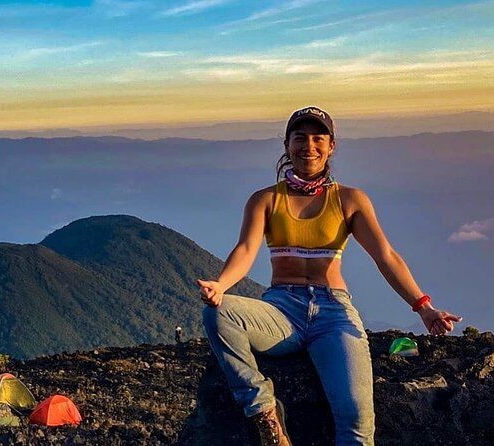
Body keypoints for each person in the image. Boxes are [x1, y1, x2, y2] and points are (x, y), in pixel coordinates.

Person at [196, 106, 463, 446]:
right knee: (218, 313)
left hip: (334, 314)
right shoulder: (264, 200)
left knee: (356, 419)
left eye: (318, 138)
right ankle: (265, 414)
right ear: (286, 144)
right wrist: (221, 285)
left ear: (332, 145)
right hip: (281, 310)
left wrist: (423, 306)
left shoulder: (349, 200)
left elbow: (385, 254)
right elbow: (246, 250)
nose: (309, 146)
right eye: (300, 138)